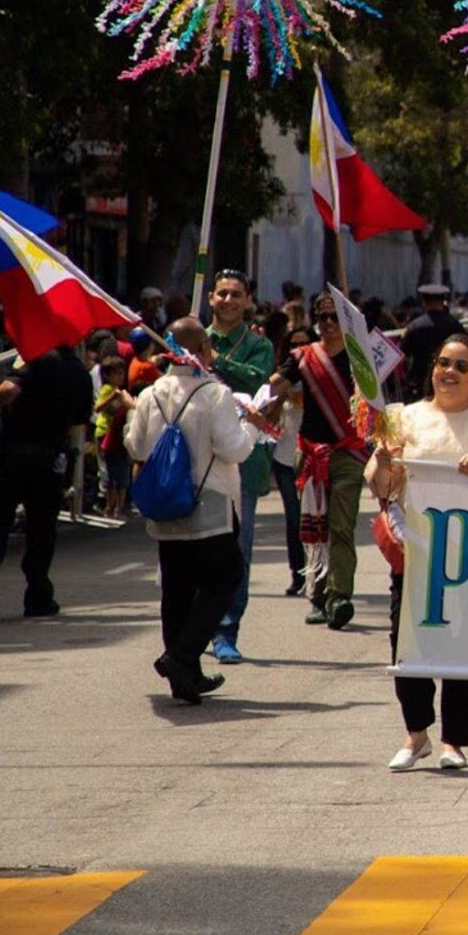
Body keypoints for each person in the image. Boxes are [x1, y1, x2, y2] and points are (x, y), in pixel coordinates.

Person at [369, 333, 468, 771]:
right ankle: (416, 733)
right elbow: (382, 488)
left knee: (461, 646)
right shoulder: (402, 417)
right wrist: (382, 461)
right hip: (416, 550)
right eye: (442, 363)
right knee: (406, 642)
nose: (448, 372)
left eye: (460, 366)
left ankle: (454, 740)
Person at [125, 318, 255, 705]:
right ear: (202, 350)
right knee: (223, 581)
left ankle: (185, 678)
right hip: (210, 508)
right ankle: (180, 658)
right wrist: (249, 429)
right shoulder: (214, 393)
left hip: (167, 508)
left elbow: (135, 446)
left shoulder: (152, 394)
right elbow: (234, 449)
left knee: (177, 592)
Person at [0, 343, 92, 623]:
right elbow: (79, 423)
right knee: (42, 530)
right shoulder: (79, 372)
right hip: (48, 459)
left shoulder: (34, 356)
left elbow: (11, 389)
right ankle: (38, 596)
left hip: (10, 455)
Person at [271, 293, 368, 630]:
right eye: (322, 317)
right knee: (313, 528)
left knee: (341, 526)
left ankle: (340, 596)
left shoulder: (361, 358)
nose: (328, 323)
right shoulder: (304, 357)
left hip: (349, 451)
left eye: (335, 317)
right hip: (311, 453)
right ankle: (316, 595)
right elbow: (275, 384)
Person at [204, 269, 274, 664]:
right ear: (210, 297)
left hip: (242, 464)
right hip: (197, 463)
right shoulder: (190, 339)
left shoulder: (258, 346)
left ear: (247, 300)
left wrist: (214, 362)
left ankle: (227, 630)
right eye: (222, 294)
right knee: (193, 549)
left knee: (237, 550)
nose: (228, 301)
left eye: (236, 294)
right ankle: (194, 626)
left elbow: (258, 380)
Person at [271, 326, 312, 597]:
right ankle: (297, 574)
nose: (299, 352)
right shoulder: (280, 379)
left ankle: (320, 574)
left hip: (314, 456)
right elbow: (269, 418)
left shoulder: (321, 377)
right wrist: (279, 397)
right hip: (286, 457)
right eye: (293, 347)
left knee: (318, 518)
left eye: (305, 345)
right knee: (294, 519)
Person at [400, 283, 465, 402]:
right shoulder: (455, 325)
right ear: (443, 301)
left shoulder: (415, 326)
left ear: (423, 302)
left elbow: (403, 352)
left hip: (420, 383)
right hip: (449, 381)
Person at [93, 356, 135, 518]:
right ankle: (109, 507)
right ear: (107, 376)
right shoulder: (107, 390)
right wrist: (112, 397)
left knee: (122, 473)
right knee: (109, 474)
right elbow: (97, 408)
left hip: (118, 435)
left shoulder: (123, 392)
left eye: (122, 373)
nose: (120, 377)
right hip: (105, 434)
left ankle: (120, 507)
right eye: (116, 374)